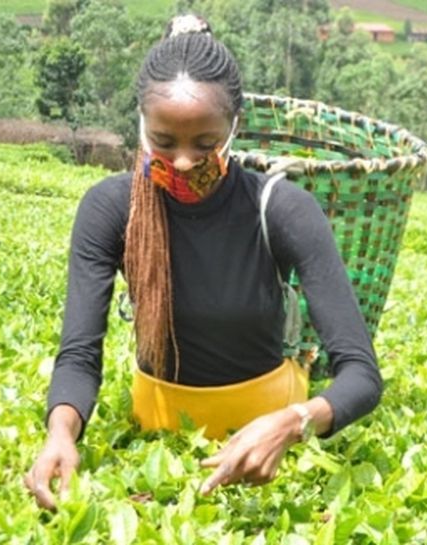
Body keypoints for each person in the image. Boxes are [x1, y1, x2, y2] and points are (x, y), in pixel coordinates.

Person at [24, 14, 382, 510]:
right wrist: (61, 433)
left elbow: (362, 374)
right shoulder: (110, 210)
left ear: (233, 127)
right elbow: (79, 354)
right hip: (157, 428)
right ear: (141, 127)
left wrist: (293, 423)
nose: (185, 161)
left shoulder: (282, 209)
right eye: (164, 143)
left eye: (206, 143)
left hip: (272, 436)